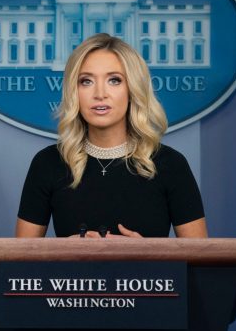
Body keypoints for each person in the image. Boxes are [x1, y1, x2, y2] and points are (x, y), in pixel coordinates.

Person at [15, 33, 207, 238]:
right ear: (73, 91)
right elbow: (20, 256)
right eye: (86, 81)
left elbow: (200, 256)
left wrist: (147, 252)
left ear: (132, 89)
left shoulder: (171, 164)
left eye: (114, 80)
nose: (100, 94)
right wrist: (65, 251)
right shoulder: (47, 163)